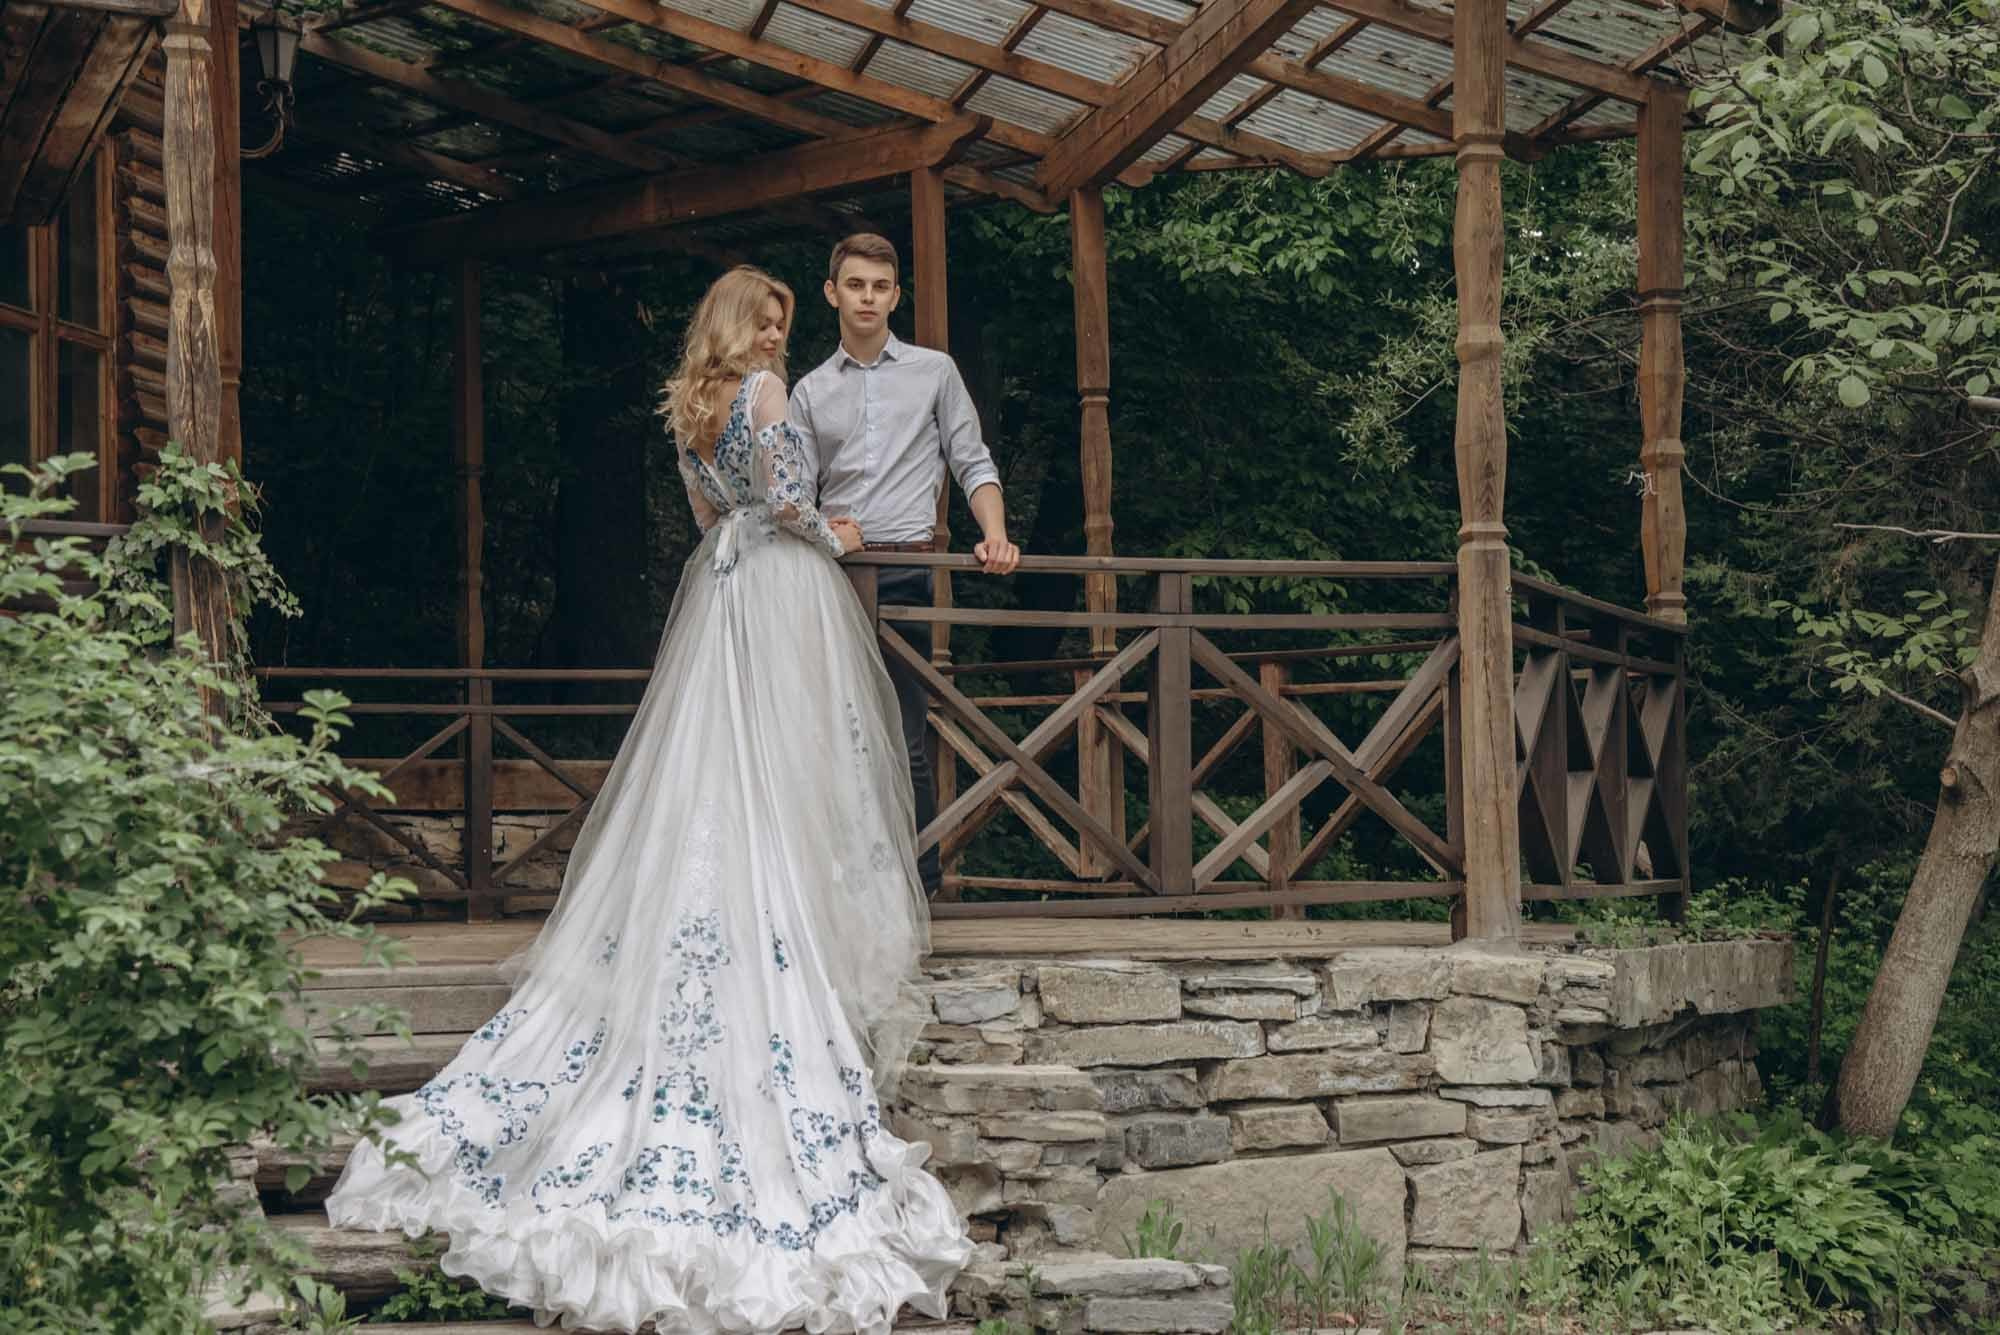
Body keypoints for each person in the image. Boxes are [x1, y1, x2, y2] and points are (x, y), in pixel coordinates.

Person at [325, 265, 972, 1334]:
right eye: (768, 320)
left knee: (717, 767)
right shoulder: (765, 394)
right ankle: (781, 931)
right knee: (790, 765)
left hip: (720, 587)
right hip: (780, 586)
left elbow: (708, 511)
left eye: (783, 324)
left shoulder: (689, 406)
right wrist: (838, 537)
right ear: (740, 324)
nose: (777, 336)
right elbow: (787, 504)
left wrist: (772, 521)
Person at [789, 233, 1021, 897]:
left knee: (903, 733)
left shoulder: (934, 372)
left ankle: (918, 886)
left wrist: (995, 535)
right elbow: (794, 491)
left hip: (906, 571)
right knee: (830, 733)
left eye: (880, 286)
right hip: (830, 574)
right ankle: (837, 889)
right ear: (832, 293)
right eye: (855, 285)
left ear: (896, 296)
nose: (867, 297)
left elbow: (971, 460)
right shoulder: (809, 390)